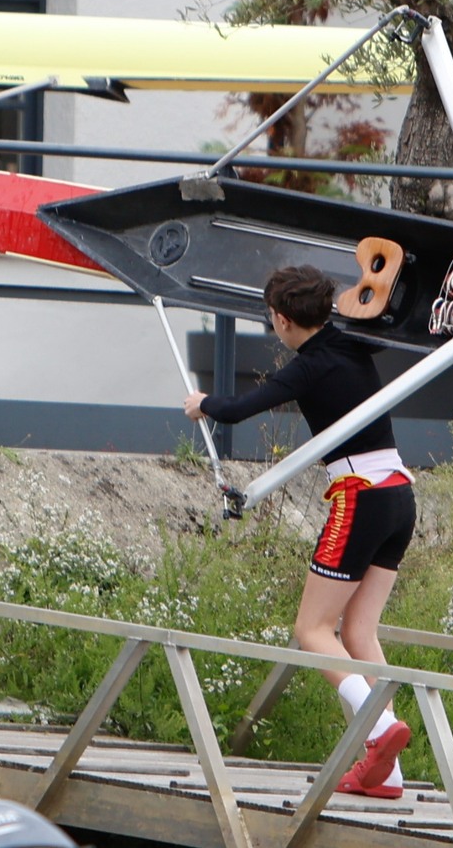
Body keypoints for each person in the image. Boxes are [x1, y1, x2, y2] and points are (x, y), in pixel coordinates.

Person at [182, 265, 415, 798]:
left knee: (313, 630)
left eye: (272, 320)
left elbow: (238, 409)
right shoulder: (353, 343)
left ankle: (379, 733)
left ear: (284, 320)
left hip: (359, 496)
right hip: (400, 496)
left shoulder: (309, 365)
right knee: (358, 634)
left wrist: (202, 405)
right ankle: (390, 770)